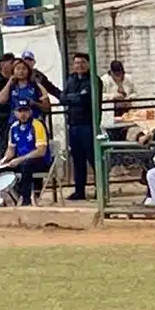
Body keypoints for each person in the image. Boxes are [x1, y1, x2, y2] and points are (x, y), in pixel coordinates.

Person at [0, 98, 50, 205]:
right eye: (20, 111)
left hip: (39, 161)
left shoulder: (37, 125)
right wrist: (3, 161)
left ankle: (26, 200)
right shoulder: (14, 127)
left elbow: (41, 151)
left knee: (26, 165)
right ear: (15, 113)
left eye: (25, 111)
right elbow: (11, 151)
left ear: (30, 112)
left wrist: (19, 159)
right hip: (21, 161)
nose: (23, 114)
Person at [62, 52, 95, 201]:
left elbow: (85, 99)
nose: (79, 66)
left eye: (82, 62)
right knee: (77, 159)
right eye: (76, 63)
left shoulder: (93, 80)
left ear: (88, 64)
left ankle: (100, 189)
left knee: (93, 158)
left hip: (88, 124)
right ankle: (79, 191)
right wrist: (73, 97)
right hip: (73, 125)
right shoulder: (71, 79)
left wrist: (72, 97)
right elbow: (63, 97)